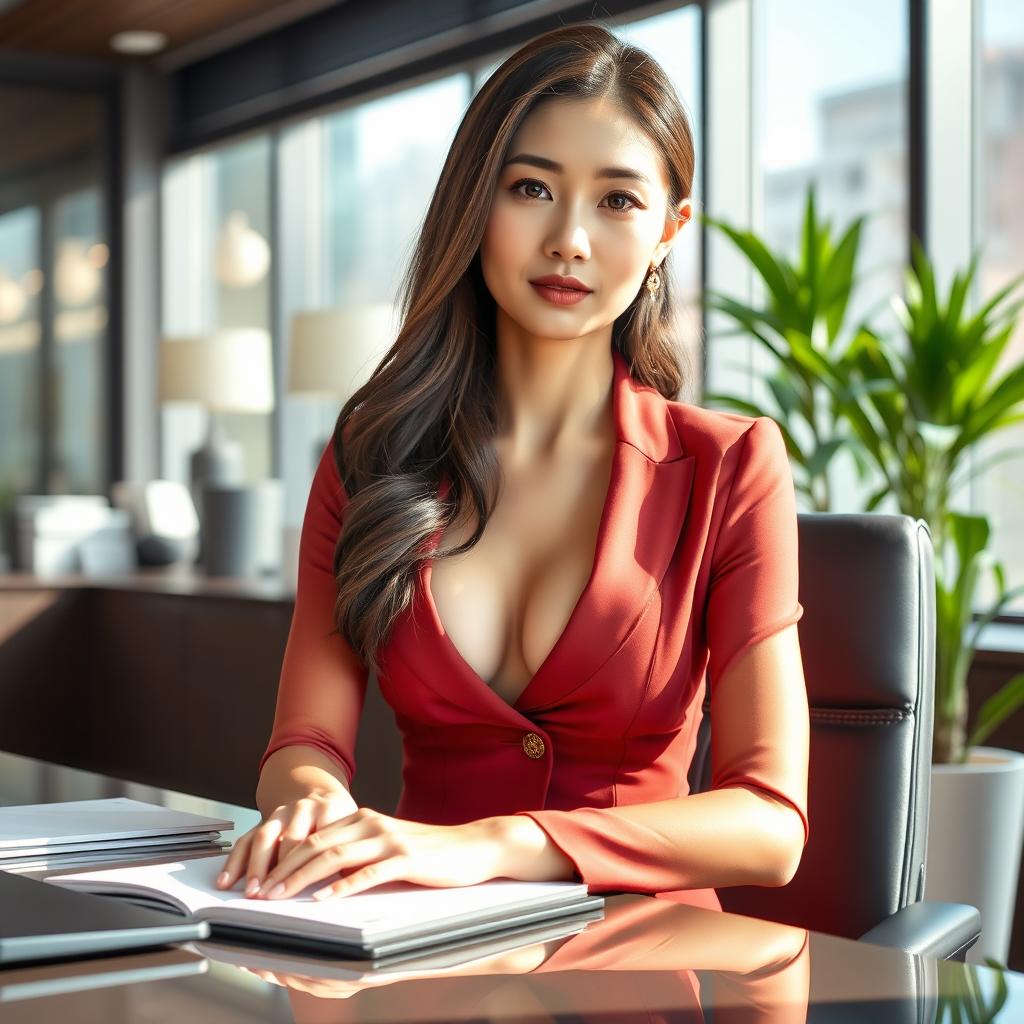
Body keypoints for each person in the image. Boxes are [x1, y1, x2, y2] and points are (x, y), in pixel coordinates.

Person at [216, 21, 810, 910]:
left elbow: (770, 823)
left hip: (649, 969)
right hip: (415, 958)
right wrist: (314, 812)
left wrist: (496, 846)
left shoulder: (732, 466)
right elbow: (305, 741)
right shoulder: (368, 458)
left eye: (617, 200)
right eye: (531, 187)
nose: (569, 238)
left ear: (669, 232)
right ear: (474, 203)